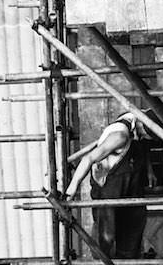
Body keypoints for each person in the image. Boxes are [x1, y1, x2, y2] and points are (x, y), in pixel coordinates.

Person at [63, 110, 149, 257]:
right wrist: (72, 188)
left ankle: (128, 254)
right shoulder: (119, 136)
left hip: (130, 178)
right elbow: (88, 159)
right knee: (106, 229)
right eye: (148, 135)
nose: (147, 138)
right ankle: (102, 259)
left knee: (134, 218)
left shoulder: (136, 119)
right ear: (142, 126)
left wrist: (150, 171)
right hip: (110, 183)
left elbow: (143, 146)